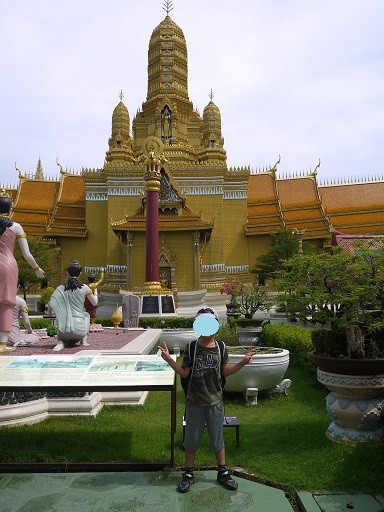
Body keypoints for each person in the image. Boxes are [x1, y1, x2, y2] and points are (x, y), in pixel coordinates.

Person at [158, 307, 253, 493]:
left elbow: (225, 371)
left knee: (217, 438)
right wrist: (169, 359)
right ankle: (188, 473)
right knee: (191, 439)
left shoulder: (221, 347)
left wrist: (242, 362)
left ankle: (222, 472)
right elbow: (185, 373)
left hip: (215, 401)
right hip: (194, 401)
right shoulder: (192, 348)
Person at [0, 188, 45, 353]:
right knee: (6, 302)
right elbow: (27, 254)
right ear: (10, 209)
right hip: (8, 265)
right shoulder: (16, 227)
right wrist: (36, 268)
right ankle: (2, 344)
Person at [48, 260, 97, 351]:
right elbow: (95, 303)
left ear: (67, 273)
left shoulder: (60, 288)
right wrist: (96, 293)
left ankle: (61, 342)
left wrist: (50, 314)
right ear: (80, 273)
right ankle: (84, 341)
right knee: (86, 315)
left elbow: (51, 304)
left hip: (63, 331)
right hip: (80, 330)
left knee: (63, 338)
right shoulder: (85, 288)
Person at [8, 283, 40, 347]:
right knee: (35, 337)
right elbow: (26, 322)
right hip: (14, 336)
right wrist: (30, 331)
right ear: (18, 287)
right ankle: (20, 342)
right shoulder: (20, 301)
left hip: (2, 335)